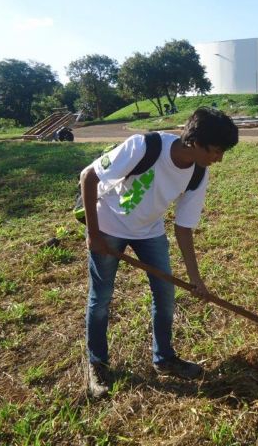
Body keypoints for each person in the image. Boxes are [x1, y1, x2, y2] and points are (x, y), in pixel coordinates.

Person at [80, 107, 239, 398]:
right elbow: (89, 177)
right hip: (109, 225)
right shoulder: (145, 146)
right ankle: (98, 364)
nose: (219, 158)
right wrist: (94, 234)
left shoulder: (198, 173)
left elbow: (184, 227)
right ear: (195, 141)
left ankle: (164, 358)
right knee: (101, 298)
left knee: (165, 297)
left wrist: (195, 279)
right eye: (216, 150)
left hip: (149, 231)